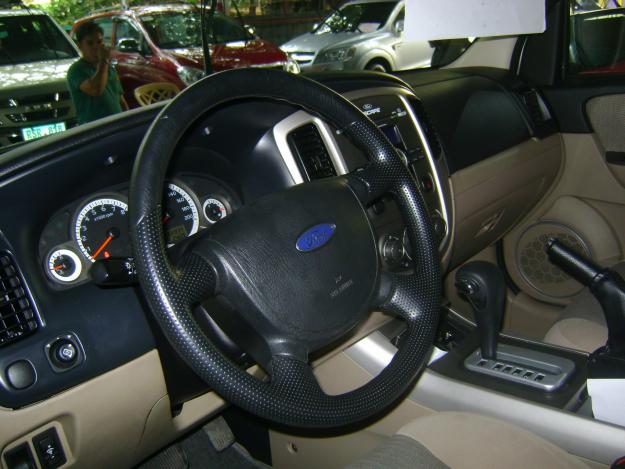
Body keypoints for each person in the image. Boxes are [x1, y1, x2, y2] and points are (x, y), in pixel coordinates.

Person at [67, 22, 128, 125]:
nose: (96, 47)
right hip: (94, 128)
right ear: (79, 45)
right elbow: (96, 89)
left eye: (99, 42)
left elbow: (120, 100)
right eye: (90, 43)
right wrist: (103, 61)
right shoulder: (76, 70)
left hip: (117, 124)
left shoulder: (109, 68)